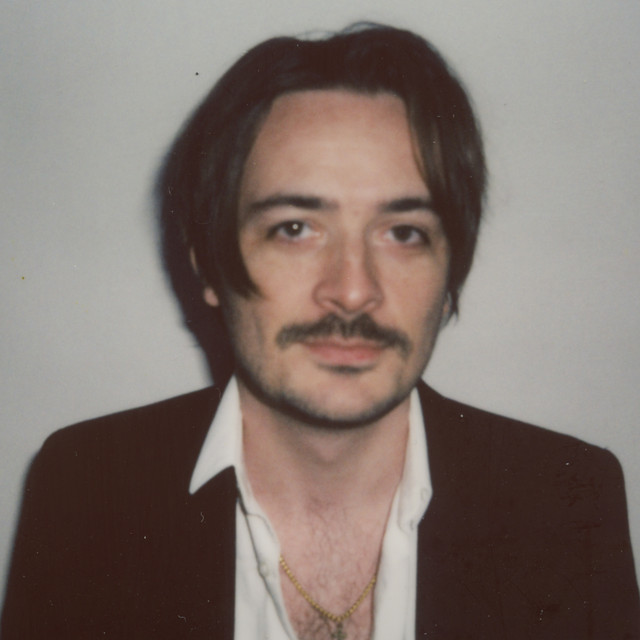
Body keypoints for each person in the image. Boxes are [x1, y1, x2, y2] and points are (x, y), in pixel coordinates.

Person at [2, 23, 638, 640]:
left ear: (451, 276)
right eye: (294, 229)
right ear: (209, 266)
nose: (353, 290)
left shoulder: (568, 501)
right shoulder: (88, 490)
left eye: (404, 233)